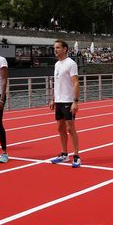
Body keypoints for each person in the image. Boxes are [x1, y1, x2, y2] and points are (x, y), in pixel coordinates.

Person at [49, 39, 81, 168]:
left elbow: (76, 83)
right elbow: (57, 84)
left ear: (65, 49)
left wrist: (75, 101)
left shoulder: (71, 64)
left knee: (70, 128)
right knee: (60, 128)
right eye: (54, 48)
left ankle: (77, 156)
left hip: (68, 100)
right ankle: (64, 154)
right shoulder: (57, 64)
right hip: (59, 101)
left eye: (57, 47)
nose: (55, 50)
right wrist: (53, 99)